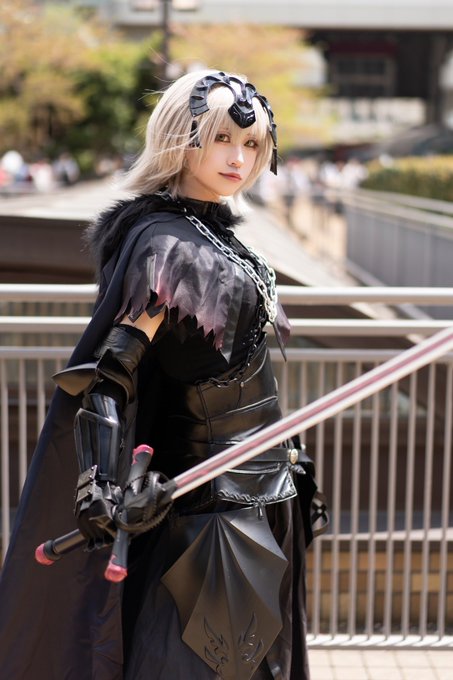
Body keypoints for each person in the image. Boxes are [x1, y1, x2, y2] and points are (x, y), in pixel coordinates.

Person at [0, 70, 322, 680]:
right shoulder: (166, 246)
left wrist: (288, 453)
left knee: (265, 666)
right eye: (221, 139)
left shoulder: (219, 237)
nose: (238, 157)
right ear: (180, 137)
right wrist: (100, 487)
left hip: (268, 491)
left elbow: (242, 369)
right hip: (207, 509)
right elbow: (110, 375)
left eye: (251, 144)